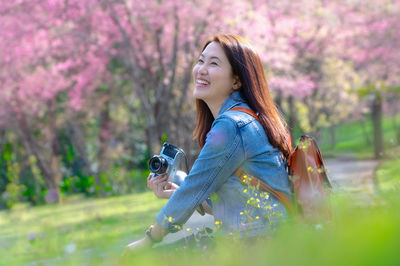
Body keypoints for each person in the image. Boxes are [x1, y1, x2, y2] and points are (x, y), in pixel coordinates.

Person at [125, 34, 292, 251]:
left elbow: (194, 188)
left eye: (213, 63)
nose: (201, 69)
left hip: (258, 246)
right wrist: (177, 193)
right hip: (265, 239)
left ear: (236, 81)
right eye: (201, 60)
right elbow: (238, 202)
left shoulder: (232, 125)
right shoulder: (246, 118)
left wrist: (149, 239)